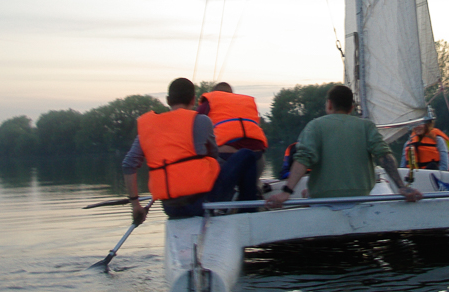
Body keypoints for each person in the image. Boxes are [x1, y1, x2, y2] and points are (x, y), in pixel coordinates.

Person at [122, 77, 261, 222]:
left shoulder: (148, 128)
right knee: (247, 155)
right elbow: (213, 155)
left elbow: (128, 164)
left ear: (168, 100)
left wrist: (135, 205)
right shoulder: (202, 121)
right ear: (193, 100)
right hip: (202, 204)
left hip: (171, 209)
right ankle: (248, 212)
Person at [265, 84, 423, 207]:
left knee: (307, 194)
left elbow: (302, 159)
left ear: (329, 104)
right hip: (361, 196)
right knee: (308, 193)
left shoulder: (315, 126)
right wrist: (401, 187)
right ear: (351, 108)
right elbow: (384, 156)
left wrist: (286, 192)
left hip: (323, 199)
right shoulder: (366, 126)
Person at [198, 81, 267, 185]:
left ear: (215, 92)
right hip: (257, 158)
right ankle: (256, 188)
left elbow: (194, 127)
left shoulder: (210, 100)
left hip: (225, 158)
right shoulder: (246, 102)